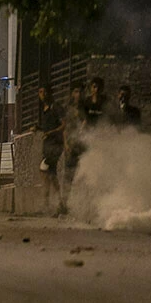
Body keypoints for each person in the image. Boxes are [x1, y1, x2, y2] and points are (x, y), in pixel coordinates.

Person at [36, 84, 65, 214]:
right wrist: (37, 128)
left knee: (45, 170)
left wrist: (51, 133)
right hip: (47, 145)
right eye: (40, 92)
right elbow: (46, 127)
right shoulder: (44, 109)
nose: (42, 94)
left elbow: (64, 125)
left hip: (55, 145)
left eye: (44, 91)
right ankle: (57, 203)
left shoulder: (55, 107)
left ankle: (51, 202)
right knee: (50, 174)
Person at [60, 84, 86, 215]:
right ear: (72, 94)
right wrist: (66, 144)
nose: (79, 94)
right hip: (71, 146)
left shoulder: (86, 108)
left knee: (83, 176)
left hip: (82, 146)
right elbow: (65, 128)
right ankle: (64, 205)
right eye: (76, 91)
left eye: (81, 91)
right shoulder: (69, 109)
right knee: (68, 176)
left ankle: (81, 206)